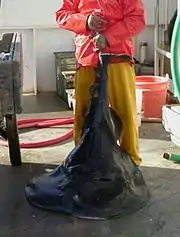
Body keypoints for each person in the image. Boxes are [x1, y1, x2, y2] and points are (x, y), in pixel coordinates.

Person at [55, 0, 146, 166]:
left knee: (125, 112)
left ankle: (131, 162)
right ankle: (81, 161)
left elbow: (136, 19)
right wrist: (86, 21)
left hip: (118, 58)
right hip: (87, 59)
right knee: (83, 113)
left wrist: (108, 37)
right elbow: (62, 15)